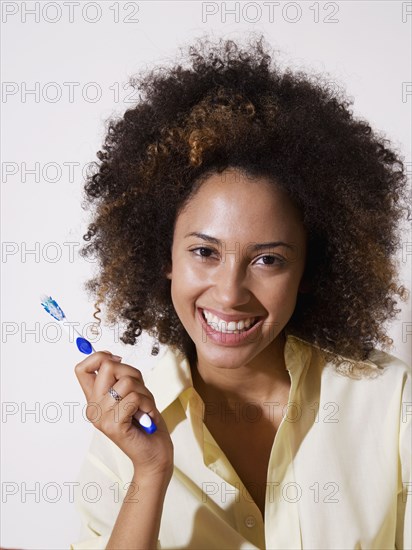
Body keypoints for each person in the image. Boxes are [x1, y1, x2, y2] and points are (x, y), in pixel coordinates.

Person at [70, 36, 411, 549]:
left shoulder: (390, 404)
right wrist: (150, 472)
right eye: (205, 253)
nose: (229, 294)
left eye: (267, 260)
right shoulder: (121, 440)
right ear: (164, 257)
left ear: (309, 268)